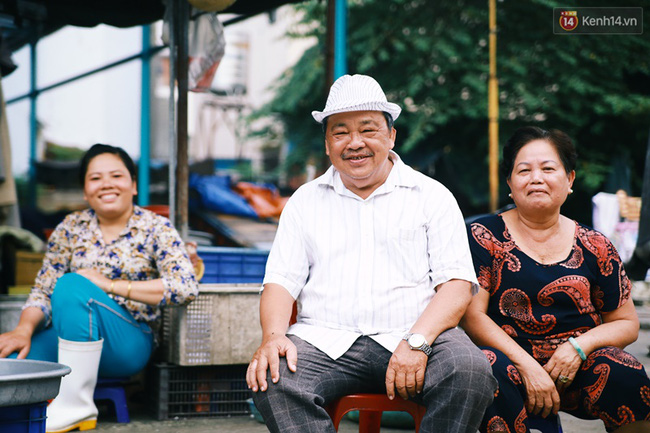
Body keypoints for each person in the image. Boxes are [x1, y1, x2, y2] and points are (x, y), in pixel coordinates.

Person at [246, 74, 497, 433]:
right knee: (272, 377)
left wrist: (417, 341)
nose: (355, 143)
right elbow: (280, 282)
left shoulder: (431, 196)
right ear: (328, 143)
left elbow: (456, 285)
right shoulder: (304, 200)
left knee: (469, 371)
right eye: (341, 132)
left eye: (368, 129)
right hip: (325, 339)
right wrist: (273, 337)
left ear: (391, 135)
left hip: (415, 332)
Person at [461, 126, 650, 433]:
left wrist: (578, 347)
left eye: (548, 168)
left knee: (623, 371)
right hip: (510, 366)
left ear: (570, 179)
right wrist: (527, 366)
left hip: (578, 368)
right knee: (486, 366)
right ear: (510, 182)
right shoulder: (484, 236)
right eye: (524, 170)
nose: (536, 178)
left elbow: (626, 323)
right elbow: (473, 316)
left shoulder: (595, 245)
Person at [0, 144, 199, 433]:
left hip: (127, 342)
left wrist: (110, 285)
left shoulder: (157, 228)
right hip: (69, 337)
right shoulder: (70, 227)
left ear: (133, 185)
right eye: (95, 178)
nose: (106, 184)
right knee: (11, 363)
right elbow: (42, 290)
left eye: (116, 176)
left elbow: (185, 287)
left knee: (71, 285)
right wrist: (23, 330)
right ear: (85, 190)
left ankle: (76, 405)